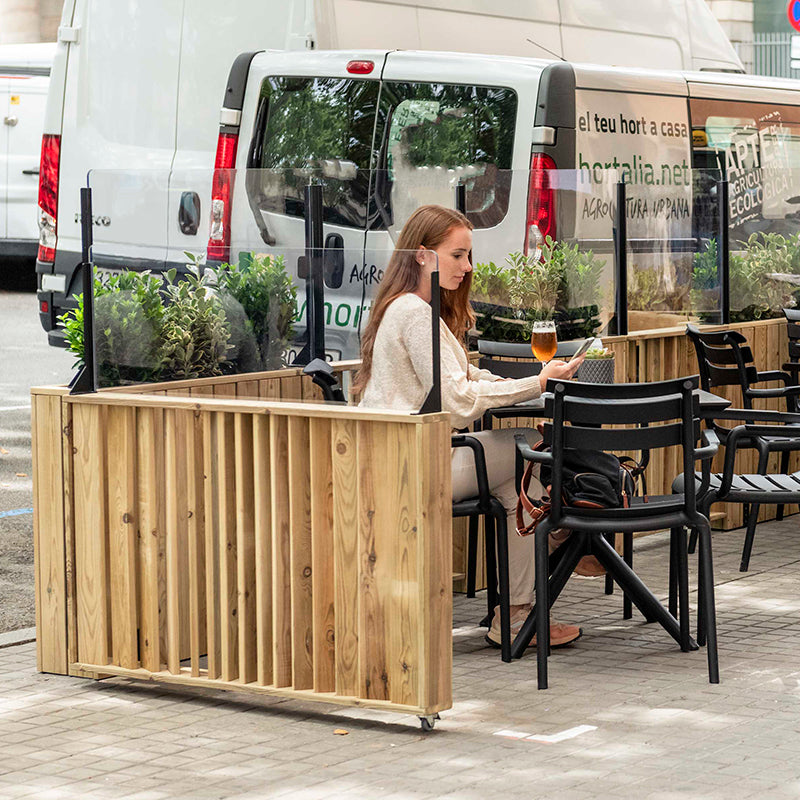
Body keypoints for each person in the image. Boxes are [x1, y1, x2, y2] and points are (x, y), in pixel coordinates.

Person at [355, 204, 584, 648]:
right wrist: (538, 382)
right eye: (457, 255)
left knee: (519, 489)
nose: (468, 267)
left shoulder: (410, 308)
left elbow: (467, 378)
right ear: (422, 255)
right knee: (532, 446)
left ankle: (519, 610)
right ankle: (573, 538)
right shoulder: (416, 313)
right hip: (411, 463)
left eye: (468, 255)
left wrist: (530, 383)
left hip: (400, 454)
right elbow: (458, 401)